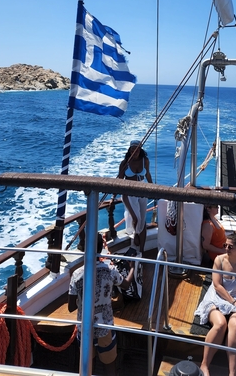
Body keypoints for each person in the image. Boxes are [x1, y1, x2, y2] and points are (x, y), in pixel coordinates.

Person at [68, 232, 135, 376]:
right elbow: (126, 285)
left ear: (84, 249)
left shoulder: (77, 275)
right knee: (109, 367)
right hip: (104, 327)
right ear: (100, 249)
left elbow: (71, 307)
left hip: (84, 328)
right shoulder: (110, 271)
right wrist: (132, 268)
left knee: (87, 367)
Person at [194, 231, 236, 376]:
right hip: (218, 296)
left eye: (230, 247)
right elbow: (217, 285)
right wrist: (233, 301)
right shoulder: (219, 261)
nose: (226, 248)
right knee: (221, 324)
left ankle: (232, 373)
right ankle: (204, 364)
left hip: (234, 297)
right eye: (225, 245)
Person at [118, 140, 152, 253]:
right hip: (129, 192)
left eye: (137, 149)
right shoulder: (125, 163)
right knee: (136, 218)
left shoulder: (145, 161)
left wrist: (154, 189)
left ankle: (141, 250)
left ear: (140, 150)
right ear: (129, 150)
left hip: (142, 191)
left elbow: (147, 174)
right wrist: (113, 195)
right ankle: (136, 235)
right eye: (133, 149)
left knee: (142, 220)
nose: (135, 151)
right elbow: (119, 180)